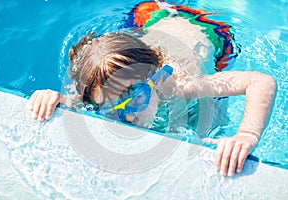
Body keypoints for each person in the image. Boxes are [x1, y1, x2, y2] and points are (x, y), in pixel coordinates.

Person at [29, 1, 276, 177]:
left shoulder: (181, 86)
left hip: (211, 31)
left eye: (135, 98)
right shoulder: (102, 93)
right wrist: (55, 99)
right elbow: (79, 101)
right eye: (108, 108)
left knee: (213, 115)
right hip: (150, 16)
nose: (126, 117)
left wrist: (246, 135)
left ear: (156, 80)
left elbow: (261, 81)